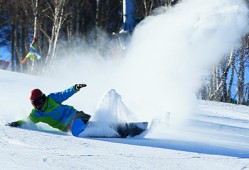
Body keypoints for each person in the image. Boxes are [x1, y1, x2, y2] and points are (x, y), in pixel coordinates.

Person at [6, 84, 91, 136]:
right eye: (35, 103)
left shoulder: (52, 99)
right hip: (66, 126)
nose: (38, 105)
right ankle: (85, 130)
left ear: (43, 98)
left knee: (82, 119)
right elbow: (27, 121)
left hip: (74, 114)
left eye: (39, 101)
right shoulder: (36, 114)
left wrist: (75, 88)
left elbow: (64, 94)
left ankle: (96, 125)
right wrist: (16, 123)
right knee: (74, 126)